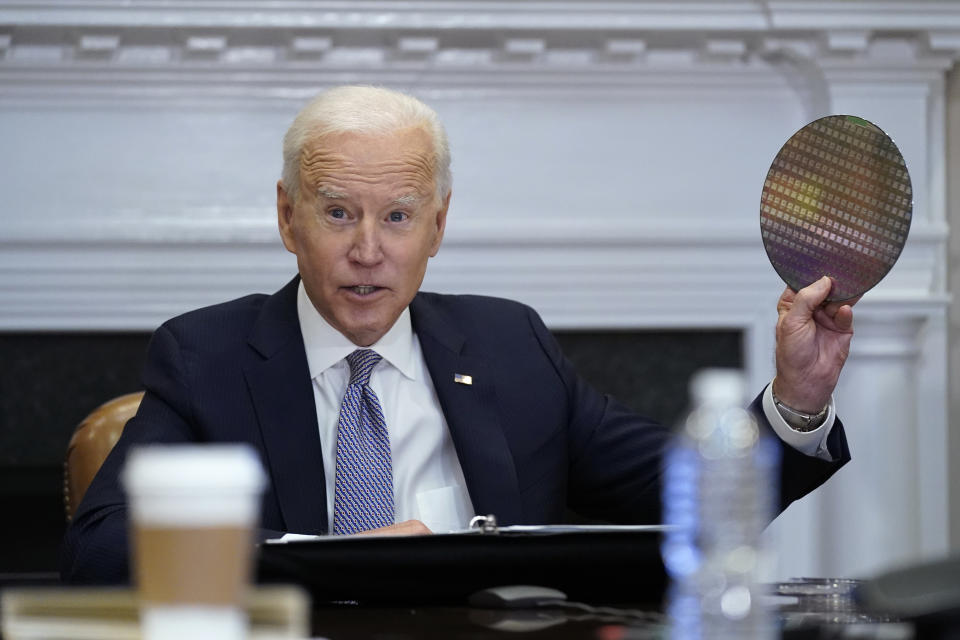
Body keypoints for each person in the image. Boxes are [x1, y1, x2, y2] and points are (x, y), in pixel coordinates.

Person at [61, 86, 853, 584]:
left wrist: (796, 401)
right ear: (285, 216)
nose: (368, 250)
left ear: (437, 225)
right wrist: (328, 560)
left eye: (397, 217)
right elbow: (96, 552)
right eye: (338, 213)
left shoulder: (509, 346)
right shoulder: (207, 358)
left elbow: (692, 493)